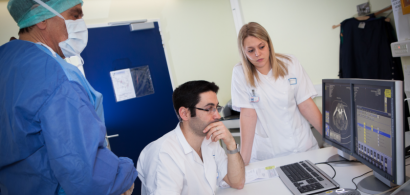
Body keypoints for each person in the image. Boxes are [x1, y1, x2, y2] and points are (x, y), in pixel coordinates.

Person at [0, 0, 137, 194]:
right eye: (75, 15)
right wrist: (124, 178)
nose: (81, 23)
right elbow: (84, 170)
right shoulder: (56, 75)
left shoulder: (7, 61)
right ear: (41, 17)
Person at [231, 22, 322, 165]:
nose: (257, 54)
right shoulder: (240, 73)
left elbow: (306, 105)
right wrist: (242, 164)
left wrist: (336, 143)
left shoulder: (290, 63)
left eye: (261, 47)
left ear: (269, 44)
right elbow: (248, 115)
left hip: (302, 146)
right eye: (250, 50)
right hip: (269, 155)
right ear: (243, 51)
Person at [137, 81, 245, 195]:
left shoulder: (209, 140)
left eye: (217, 108)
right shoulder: (163, 153)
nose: (218, 116)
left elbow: (237, 182)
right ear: (184, 113)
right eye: (209, 109)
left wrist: (231, 144)